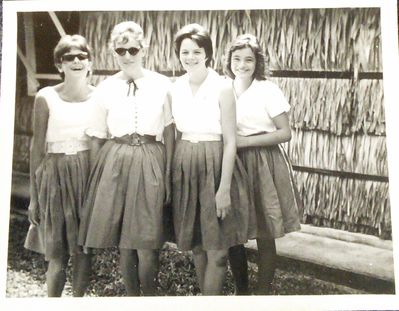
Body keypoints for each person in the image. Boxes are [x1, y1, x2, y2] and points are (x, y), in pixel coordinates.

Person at [78, 21, 174, 296]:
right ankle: (132, 299)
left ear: (143, 50)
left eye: (133, 49)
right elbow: (97, 136)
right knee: (125, 242)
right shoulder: (105, 88)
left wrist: (167, 174)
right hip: (115, 162)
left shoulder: (161, 84)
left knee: (147, 242)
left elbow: (169, 131)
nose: (127, 56)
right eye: (121, 50)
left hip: (150, 159)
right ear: (114, 53)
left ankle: (150, 298)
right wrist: (98, 182)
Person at [170, 23, 251, 295]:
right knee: (197, 246)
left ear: (207, 53)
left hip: (216, 164)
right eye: (184, 52)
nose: (190, 57)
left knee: (218, 252)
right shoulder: (174, 88)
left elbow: (230, 142)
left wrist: (224, 189)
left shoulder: (223, 87)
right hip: (185, 164)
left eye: (196, 51)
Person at [225, 34, 303, 295]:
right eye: (237, 59)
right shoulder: (224, 88)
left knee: (264, 230)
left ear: (257, 62)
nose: (242, 65)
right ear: (229, 61)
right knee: (234, 231)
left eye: (248, 59)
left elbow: (285, 133)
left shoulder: (267, 89)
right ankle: (242, 291)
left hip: (264, 163)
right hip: (233, 163)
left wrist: (243, 143)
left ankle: (263, 292)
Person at [24, 35, 95, 297]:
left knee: (84, 249)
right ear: (59, 65)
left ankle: (76, 300)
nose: (76, 61)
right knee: (57, 252)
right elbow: (36, 148)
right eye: (69, 57)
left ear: (90, 62)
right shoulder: (46, 97)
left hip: (87, 174)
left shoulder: (99, 98)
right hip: (54, 174)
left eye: (82, 56)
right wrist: (34, 197)